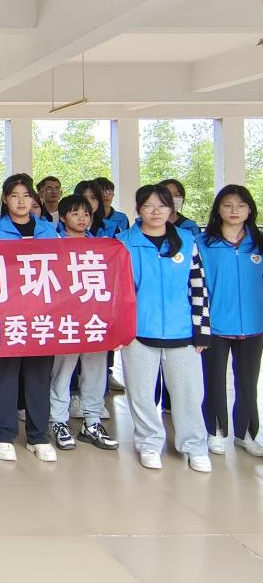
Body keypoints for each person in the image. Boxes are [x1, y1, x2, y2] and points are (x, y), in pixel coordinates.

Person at [117, 184, 211, 472]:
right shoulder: (123, 242)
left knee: (188, 393)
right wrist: (119, 330)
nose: (156, 212)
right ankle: (148, 443)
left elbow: (198, 286)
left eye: (162, 206)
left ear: (172, 209)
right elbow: (117, 290)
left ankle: (194, 445)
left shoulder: (186, 240)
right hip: (138, 332)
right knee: (141, 394)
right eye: (148, 206)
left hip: (182, 332)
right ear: (138, 209)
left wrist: (202, 329)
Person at [0, 174, 59, 463]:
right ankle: (2, 434)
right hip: (7, 315)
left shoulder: (49, 231)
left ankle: (38, 435)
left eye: (26, 196)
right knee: (4, 374)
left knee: (39, 376)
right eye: (14, 195)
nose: (21, 201)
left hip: (41, 314)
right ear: (5, 199)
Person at [47, 195, 119, 452]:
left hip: (94, 320)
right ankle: (58, 421)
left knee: (96, 371)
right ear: (63, 217)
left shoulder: (102, 247)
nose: (81, 218)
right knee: (62, 372)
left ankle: (92, 421)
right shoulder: (53, 245)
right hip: (66, 320)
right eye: (75, 213)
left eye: (86, 214)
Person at [199, 185, 263, 457]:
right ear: (218, 209)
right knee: (213, 382)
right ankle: (214, 431)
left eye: (241, 205)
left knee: (248, 383)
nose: (234, 210)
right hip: (215, 326)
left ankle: (246, 434)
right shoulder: (203, 244)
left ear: (250, 210)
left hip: (254, 325)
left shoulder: (259, 243)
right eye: (227, 205)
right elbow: (195, 286)